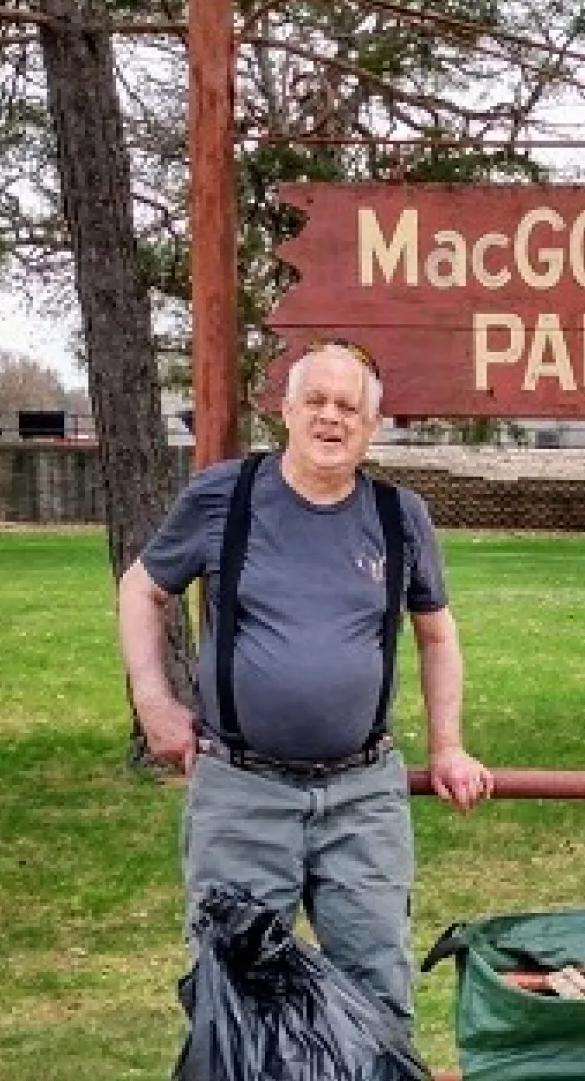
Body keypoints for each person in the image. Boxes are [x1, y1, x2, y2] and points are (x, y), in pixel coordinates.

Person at [118, 340, 493, 1028]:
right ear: (286, 410)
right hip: (243, 790)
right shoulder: (222, 498)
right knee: (237, 996)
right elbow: (141, 589)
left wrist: (448, 746)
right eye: (315, 401)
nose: (331, 417)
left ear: (371, 426)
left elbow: (437, 635)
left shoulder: (397, 514)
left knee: (377, 986)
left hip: (362, 794)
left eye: (348, 406)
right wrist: (154, 705)